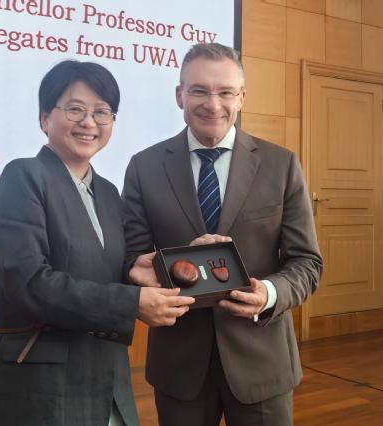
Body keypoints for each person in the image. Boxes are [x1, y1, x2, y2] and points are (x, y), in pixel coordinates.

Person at [0, 60, 195, 426]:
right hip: (39, 380)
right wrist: (132, 301)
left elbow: (97, 274)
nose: (89, 122)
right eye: (75, 109)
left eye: (101, 112)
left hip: (106, 374)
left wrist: (132, 273)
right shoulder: (24, 176)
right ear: (45, 118)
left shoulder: (108, 193)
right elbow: (27, 283)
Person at [122, 43, 323, 425]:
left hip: (262, 360)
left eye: (225, 92)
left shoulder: (281, 165)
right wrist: (156, 270)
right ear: (180, 95)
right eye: (199, 90)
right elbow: (131, 260)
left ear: (242, 97)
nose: (212, 104)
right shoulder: (144, 167)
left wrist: (269, 294)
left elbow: (307, 263)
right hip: (179, 363)